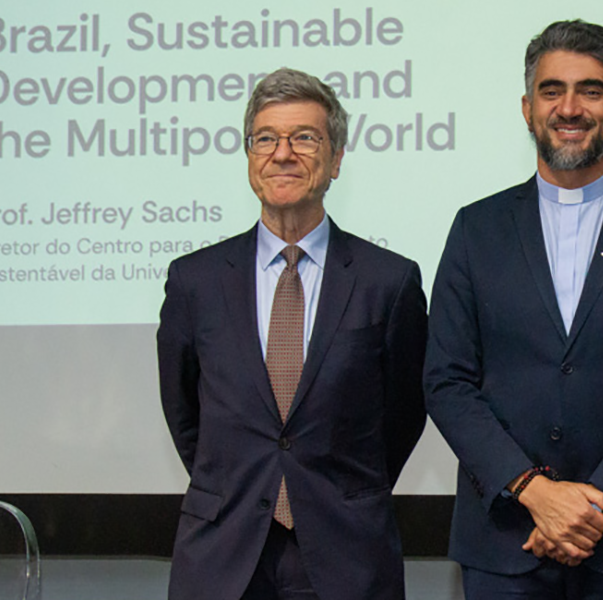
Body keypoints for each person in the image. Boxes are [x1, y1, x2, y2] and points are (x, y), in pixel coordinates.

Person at [423, 20, 603, 599]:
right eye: (552, 90)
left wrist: (590, 503)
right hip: (505, 537)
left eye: (591, 89)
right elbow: (446, 380)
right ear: (528, 109)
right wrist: (535, 492)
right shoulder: (475, 228)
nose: (570, 107)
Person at [157, 67, 427, 600]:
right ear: (250, 158)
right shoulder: (195, 281)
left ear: (337, 158)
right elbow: (185, 409)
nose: (283, 153)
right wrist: (245, 482)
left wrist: (336, 493)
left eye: (305, 137)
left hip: (345, 554)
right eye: (266, 139)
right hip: (223, 553)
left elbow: (403, 413)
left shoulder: (389, 281)